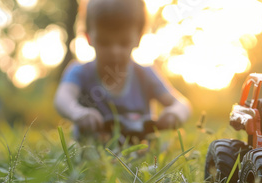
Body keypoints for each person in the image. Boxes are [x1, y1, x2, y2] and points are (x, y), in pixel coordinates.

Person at [54, 0, 191, 144]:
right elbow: (62, 99)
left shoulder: (145, 74)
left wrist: (174, 114)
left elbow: (181, 104)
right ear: (88, 38)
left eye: (124, 43)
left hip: (139, 159)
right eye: (104, 42)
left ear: (138, 39)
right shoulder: (79, 72)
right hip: (91, 157)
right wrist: (78, 113)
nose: (114, 51)